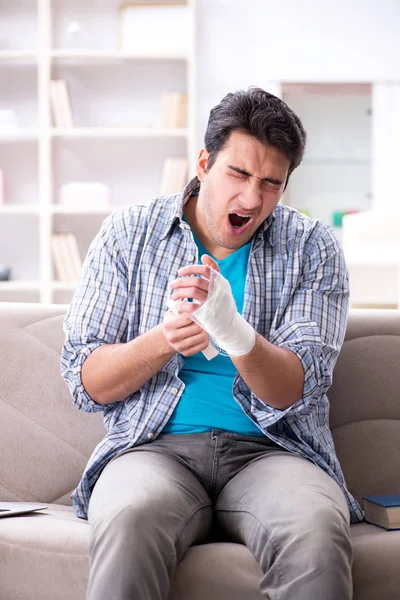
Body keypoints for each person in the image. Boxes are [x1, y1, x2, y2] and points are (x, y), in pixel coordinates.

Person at [61, 87, 363, 600]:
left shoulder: (314, 248)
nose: (251, 198)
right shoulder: (128, 234)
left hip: (274, 452)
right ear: (204, 163)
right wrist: (161, 341)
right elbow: (85, 382)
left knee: (315, 530)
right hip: (153, 449)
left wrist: (235, 333)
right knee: (129, 518)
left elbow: (295, 388)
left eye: (271, 183)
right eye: (239, 174)